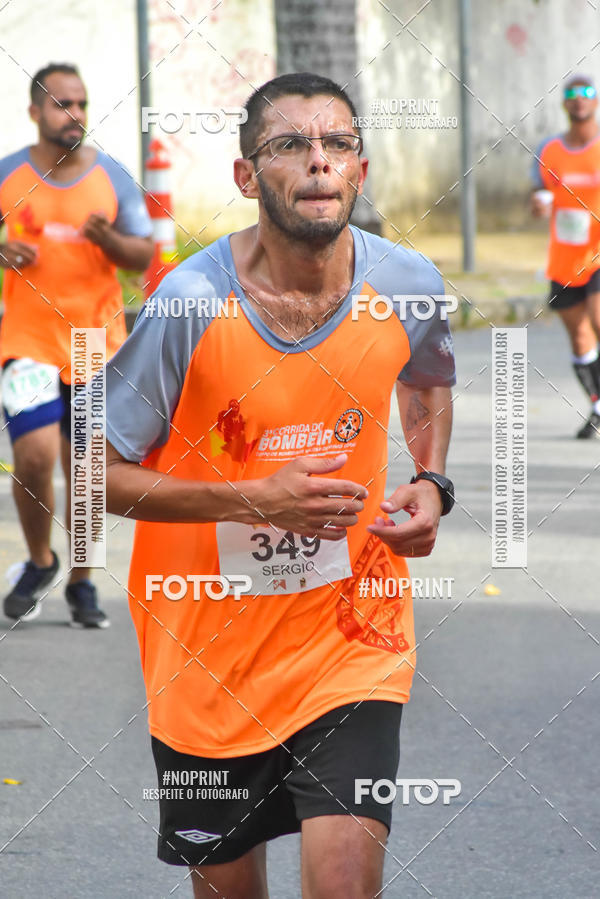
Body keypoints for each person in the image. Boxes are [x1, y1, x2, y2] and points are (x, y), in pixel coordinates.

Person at [104, 72, 455, 898]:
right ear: (246, 175)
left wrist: (432, 478)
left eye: (337, 144)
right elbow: (93, 475)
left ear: (360, 171)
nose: (319, 163)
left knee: (343, 883)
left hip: (349, 641)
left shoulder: (404, 283)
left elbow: (428, 379)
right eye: (290, 144)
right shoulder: (189, 303)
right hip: (204, 658)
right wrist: (252, 500)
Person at [0, 62, 153, 626]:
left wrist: (107, 239)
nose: (75, 115)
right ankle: (41, 561)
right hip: (27, 340)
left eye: (82, 104)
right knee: (34, 457)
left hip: (95, 343)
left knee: (87, 470)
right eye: (63, 104)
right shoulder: (8, 173)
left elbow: (141, 256)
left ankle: (82, 584)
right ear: (36, 111)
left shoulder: (111, 175)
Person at [532, 73, 600, 438]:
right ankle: (597, 407)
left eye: (586, 93)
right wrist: (538, 204)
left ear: (595, 101)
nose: (579, 99)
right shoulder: (550, 151)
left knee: (598, 318)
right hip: (564, 259)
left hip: (598, 255)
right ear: (565, 103)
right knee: (579, 338)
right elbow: (538, 193)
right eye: (572, 94)